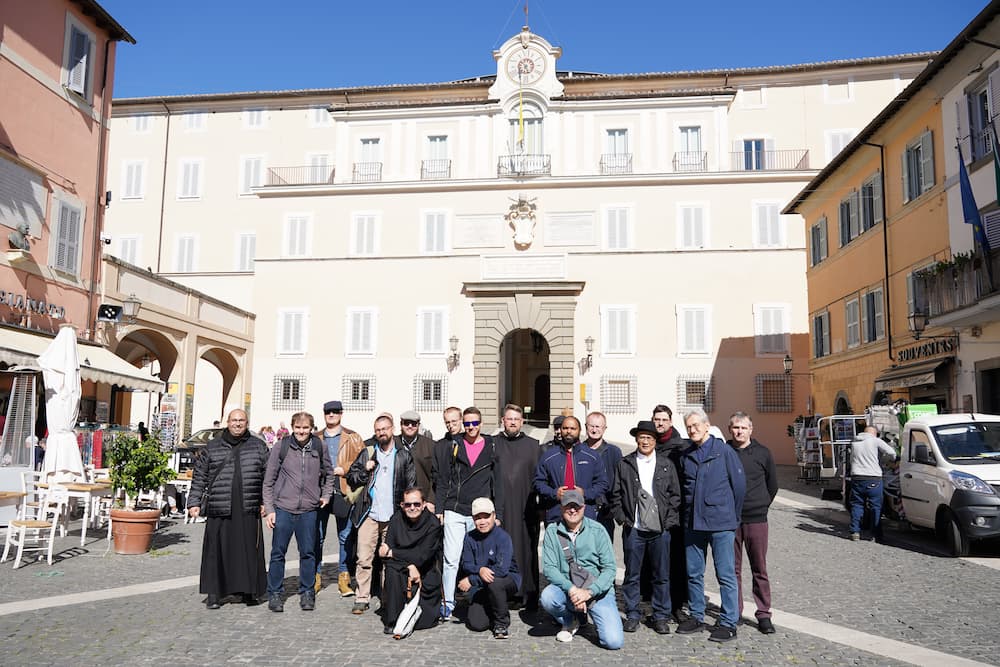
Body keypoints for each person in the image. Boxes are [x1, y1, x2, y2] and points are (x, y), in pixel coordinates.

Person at [676, 408, 745, 643]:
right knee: (694, 573)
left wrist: (731, 517)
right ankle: (696, 615)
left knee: (725, 574)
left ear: (707, 426)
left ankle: (728, 622)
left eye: (696, 425)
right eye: (688, 427)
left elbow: (739, 487)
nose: (692, 429)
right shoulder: (686, 455)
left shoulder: (723, 451)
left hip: (721, 523)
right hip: (693, 523)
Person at [187, 409, 269, 609]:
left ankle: (249, 592)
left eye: (241, 420)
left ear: (247, 422)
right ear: (227, 422)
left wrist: (267, 501)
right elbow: (200, 476)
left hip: (248, 507)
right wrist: (194, 502)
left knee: (247, 552)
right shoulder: (213, 446)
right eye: (234, 420)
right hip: (219, 505)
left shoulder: (259, 447)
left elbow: (268, 477)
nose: (238, 424)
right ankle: (215, 594)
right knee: (217, 552)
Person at [611, 420, 681, 635]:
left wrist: (667, 523)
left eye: (649, 438)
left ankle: (660, 615)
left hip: (660, 530)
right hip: (635, 529)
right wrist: (623, 519)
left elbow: (675, 496)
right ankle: (633, 614)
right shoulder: (626, 463)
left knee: (661, 574)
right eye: (642, 437)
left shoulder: (666, 464)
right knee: (632, 574)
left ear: (655, 441)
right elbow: (616, 494)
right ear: (636, 439)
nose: (645, 441)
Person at [437, 406, 505, 621]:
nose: (471, 427)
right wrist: (440, 508)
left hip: (480, 513)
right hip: (455, 510)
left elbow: (498, 483)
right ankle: (448, 602)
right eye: (467, 424)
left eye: (475, 423)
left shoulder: (491, 446)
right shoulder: (454, 445)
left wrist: (498, 512)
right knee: (451, 559)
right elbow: (443, 480)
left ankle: (478, 599)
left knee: (480, 558)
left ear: (481, 423)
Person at [262, 411, 334, 612]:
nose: (301, 431)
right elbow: (268, 480)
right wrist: (269, 509)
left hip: (308, 510)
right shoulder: (281, 446)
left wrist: (326, 495)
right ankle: (275, 593)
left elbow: (329, 474)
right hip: (283, 508)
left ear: (311, 428)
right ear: (292, 428)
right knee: (278, 553)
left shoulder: (320, 446)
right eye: (298, 427)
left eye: (305, 428)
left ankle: (307, 592)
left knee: (308, 553)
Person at [346, 414, 416, 614]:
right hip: (369, 513)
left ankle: (388, 599)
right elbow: (352, 478)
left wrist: (406, 513)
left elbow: (410, 485)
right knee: (364, 558)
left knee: (390, 560)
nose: (381, 433)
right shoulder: (367, 452)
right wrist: (364, 471)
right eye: (378, 430)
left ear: (392, 429)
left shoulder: (403, 454)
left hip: (393, 515)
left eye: (384, 429)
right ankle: (362, 597)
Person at [539, 489, 623, 650]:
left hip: (597, 592)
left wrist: (589, 592)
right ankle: (570, 620)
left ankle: (590, 614)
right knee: (548, 597)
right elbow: (549, 568)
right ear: (561, 508)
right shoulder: (552, 531)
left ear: (583, 507)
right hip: (568, 589)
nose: (572, 510)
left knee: (613, 641)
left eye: (576, 506)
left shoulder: (597, 530)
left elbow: (609, 568)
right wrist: (572, 589)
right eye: (568, 506)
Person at [728, 411, 778, 634]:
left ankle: (764, 614)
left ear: (751, 429)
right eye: (735, 427)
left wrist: (761, 505)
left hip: (756, 519)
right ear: (730, 429)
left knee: (759, 568)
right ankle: (734, 611)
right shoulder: (725, 452)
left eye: (743, 427)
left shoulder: (763, 453)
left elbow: (773, 485)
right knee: (732, 569)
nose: (739, 431)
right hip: (730, 520)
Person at [315, 400, 364, 597]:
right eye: (328, 412)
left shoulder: (352, 437)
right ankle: (316, 575)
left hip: (344, 490)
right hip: (319, 492)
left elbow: (360, 463)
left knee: (345, 536)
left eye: (335, 412)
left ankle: (344, 576)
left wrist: (342, 469)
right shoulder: (315, 437)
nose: (331, 415)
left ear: (341, 414)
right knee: (317, 536)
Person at [494, 403, 541, 608]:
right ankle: (502, 592)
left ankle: (526, 593)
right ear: (502, 421)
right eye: (509, 418)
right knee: (501, 550)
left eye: (516, 419)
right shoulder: (493, 444)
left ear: (522, 422)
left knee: (526, 550)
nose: (512, 422)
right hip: (501, 508)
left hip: (525, 507)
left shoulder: (533, 445)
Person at [380, 487, 443, 636]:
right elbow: (384, 553)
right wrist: (409, 565)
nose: (412, 508)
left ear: (423, 504)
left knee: (422, 622)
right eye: (408, 504)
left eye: (416, 504)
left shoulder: (433, 523)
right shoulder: (396, 519)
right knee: (391, 569)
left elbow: (422, 556)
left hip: (426, 573)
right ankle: (392, 619)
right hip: (401, 568)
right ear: (402, 505)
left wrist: (394, 553)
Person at [458, 497, 520, 638]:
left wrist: (473, 579)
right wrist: (480, 570)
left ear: (494, 516)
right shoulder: (469, 537)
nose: (482, 521)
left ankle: (501, 623)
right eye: (478, 518)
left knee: (495, 583)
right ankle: (496, 607)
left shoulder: (503, 537)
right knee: (477, 624)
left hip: (507, 579)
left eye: (486, 516)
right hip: (483, 583)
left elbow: (501, 570)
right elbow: (466, 564)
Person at [535, 416, 608, 524]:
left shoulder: (592, 456)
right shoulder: (548, 456)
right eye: (565, 428)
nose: (568, 431)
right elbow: (538, 483)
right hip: (556, 516)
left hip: (585, 516)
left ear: (579, 430)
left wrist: (585, 493)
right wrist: (554, 493)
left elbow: (602, 484)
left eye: (573, 429)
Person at [652, 403, 688, 621]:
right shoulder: (649, 444)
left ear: (671, 422)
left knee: (676, 561)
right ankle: (656, 602)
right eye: (657, 419)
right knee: (655, 561)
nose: (660, 423)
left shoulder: (680, 448)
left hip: (674, 514)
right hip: (652, 514)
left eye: (664, 420)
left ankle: (677, 604)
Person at [848, 425, 897, 543]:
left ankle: (855, 532)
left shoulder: (855, 442)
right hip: (873, 477)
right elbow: (891, 452)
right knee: (875, 506)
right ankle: (876, 534)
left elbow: (851, 460)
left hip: (857, 476)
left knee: (857, 504)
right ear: (874, 433)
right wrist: (886, 460)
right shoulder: (875, 441)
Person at [584, 411, 622, 541]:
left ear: (604, 429)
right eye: (591, 426)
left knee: (604, 553)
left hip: (606, 511)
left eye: (598, 427)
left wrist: (614, 508)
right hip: (583, 510)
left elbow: (619, 481)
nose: (594, 430)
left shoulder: (614, 452)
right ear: (586, 427)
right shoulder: (578, 450)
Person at [398, 410, 437, 511]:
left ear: (418, 425)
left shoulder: (431, 445)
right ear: (401, 424)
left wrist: (431, 500)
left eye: (414, 424)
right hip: (398, 502)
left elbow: (436, 476)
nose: (410, 426)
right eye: (406, 423)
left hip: (423, 502)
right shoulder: (393, 443)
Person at [432, 405, 464, 514]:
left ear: (461, 420)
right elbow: (436, 475)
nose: (451, 425)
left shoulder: (470, 443)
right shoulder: (439, 446)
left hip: (466, 501)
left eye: (454, 422)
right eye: (447, 422)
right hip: (447, 500)